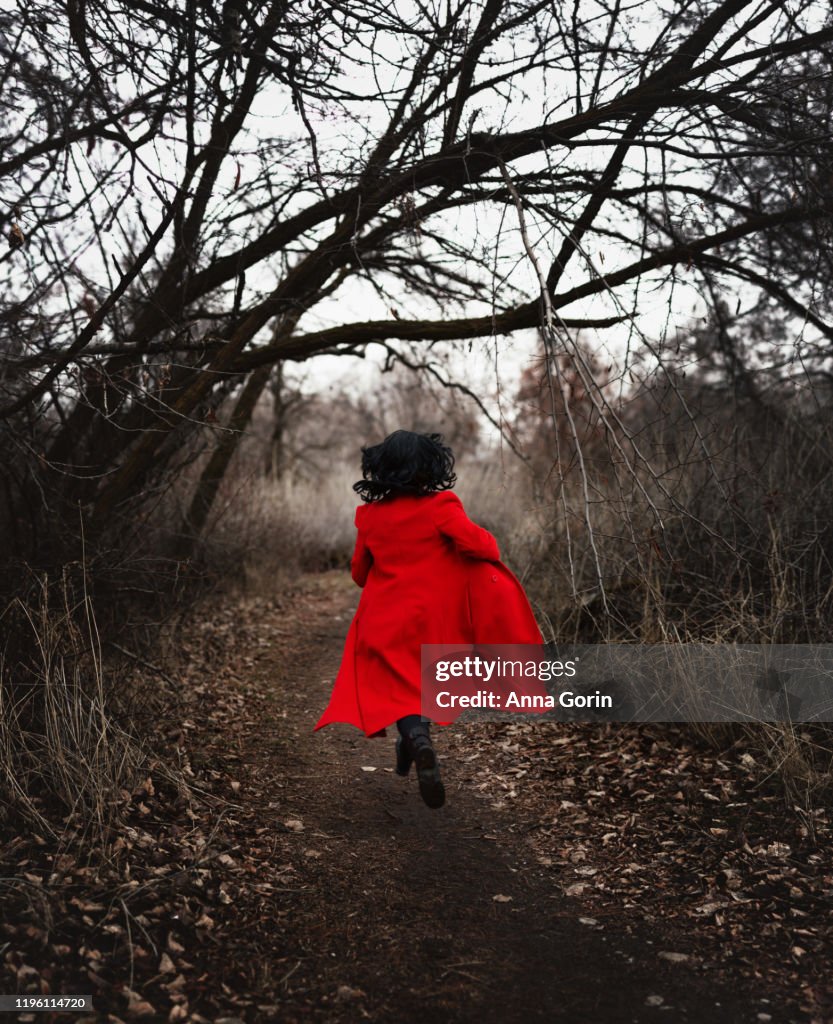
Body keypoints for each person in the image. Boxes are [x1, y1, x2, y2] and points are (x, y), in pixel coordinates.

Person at [314, 430, 543, 809]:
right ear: (430, 467)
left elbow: (358, 573)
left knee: (397, 687)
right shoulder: (442, 506)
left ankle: (415, 739)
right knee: (422, 681)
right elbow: (483, 546)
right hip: (433, 621)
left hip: (384, 620)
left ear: (381, 469)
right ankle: (416, 741)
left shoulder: (370, 517)